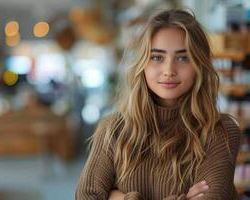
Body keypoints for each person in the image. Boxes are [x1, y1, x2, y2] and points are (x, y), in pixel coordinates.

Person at [76, 9, 241, 200]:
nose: (169, 70)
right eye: (157, 57)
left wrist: (118, 197)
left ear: (199, 65)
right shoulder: (113, 129)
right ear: (142, 64)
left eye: (183, 57)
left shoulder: (220, 132)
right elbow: (86, 196)